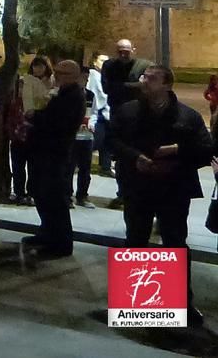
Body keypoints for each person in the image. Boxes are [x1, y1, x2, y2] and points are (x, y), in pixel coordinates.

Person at [110, 64, 213, 327]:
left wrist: (177, 150)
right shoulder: (128, 111)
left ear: (167, 85)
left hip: (174, 189)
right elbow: (112, 142)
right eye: (144, 77)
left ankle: (180, 303)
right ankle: (137, 305)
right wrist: (136, 158)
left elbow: (205, 149)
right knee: (135, 240)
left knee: (175, 244)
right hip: (138, 186)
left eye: (152, 78)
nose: (145, 81)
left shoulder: (187, 116)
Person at [24, 60, 86, 258]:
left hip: (55, 152)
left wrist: (35, 117)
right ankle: (47, 233)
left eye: (62, 73)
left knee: (54, 197)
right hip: (44, 151)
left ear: (73, 76)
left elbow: (58, 123)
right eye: (56, 72)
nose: (57, 76)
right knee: (40, 192)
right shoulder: (62, 92)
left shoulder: (73, 96)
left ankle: (60, 242)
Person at [101, 39, 152, 208]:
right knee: (121, 158)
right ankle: (122, 194)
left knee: (138, 155)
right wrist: (133, 86)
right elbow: (107, 88)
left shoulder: (144, 66)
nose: (123, 54)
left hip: (139, 119)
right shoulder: (109, 65)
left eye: (126, 51)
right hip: (117, 118)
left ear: (133, 50)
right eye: (120, 51)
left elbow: (145, 86)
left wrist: (121, 86)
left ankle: (137, 194)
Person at [14, 55, 53, 205]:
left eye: (41, 66)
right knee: (19, 162)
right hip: (25, 125)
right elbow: (28, 107)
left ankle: (32, 192)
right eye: (36, 66)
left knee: (34, 164)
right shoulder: (27, 81)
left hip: (40, 128)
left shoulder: (51, 81)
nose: (38, 69)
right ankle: (19, 192)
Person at [69, 67, 97, 209]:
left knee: (85, 168)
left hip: (86, 136)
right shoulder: (69, 94)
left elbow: (94, 112)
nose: (85, 81)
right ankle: (67, 195)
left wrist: (92, 123)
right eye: (82, 78)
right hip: (72, 137)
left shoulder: (90, 95)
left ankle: (82, 196)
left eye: (87, 79)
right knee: (69, 167)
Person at [87, 53, 112, 176]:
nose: (104, 63)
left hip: (105, 114)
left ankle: (105, 167)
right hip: (98, 114)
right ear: (94, 61)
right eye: (102, 60)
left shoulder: (104, 76)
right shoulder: (93, 75)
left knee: (107, 142)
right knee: (97, 141)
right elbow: (99, 95)